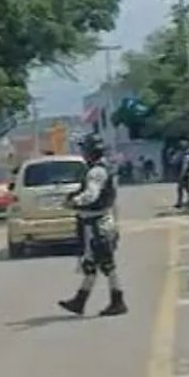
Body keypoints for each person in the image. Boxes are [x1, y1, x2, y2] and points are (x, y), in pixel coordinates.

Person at [58, 135, 127, 317]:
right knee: (93, 263)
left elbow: (91, 195)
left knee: (105, 264)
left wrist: (74, 202)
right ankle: (80, 301)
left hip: (95, 223)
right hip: (100, 221)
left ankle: (117, 300)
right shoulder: (104, 168)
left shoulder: (96, 172)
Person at [175, 140, 189, 209]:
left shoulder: (187, 154)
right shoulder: (187, 153)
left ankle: (180, 202)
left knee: (180, 188)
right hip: (186, 173)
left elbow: (185, 165)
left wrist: (182, 174)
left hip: (184, 173)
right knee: (187, 188)